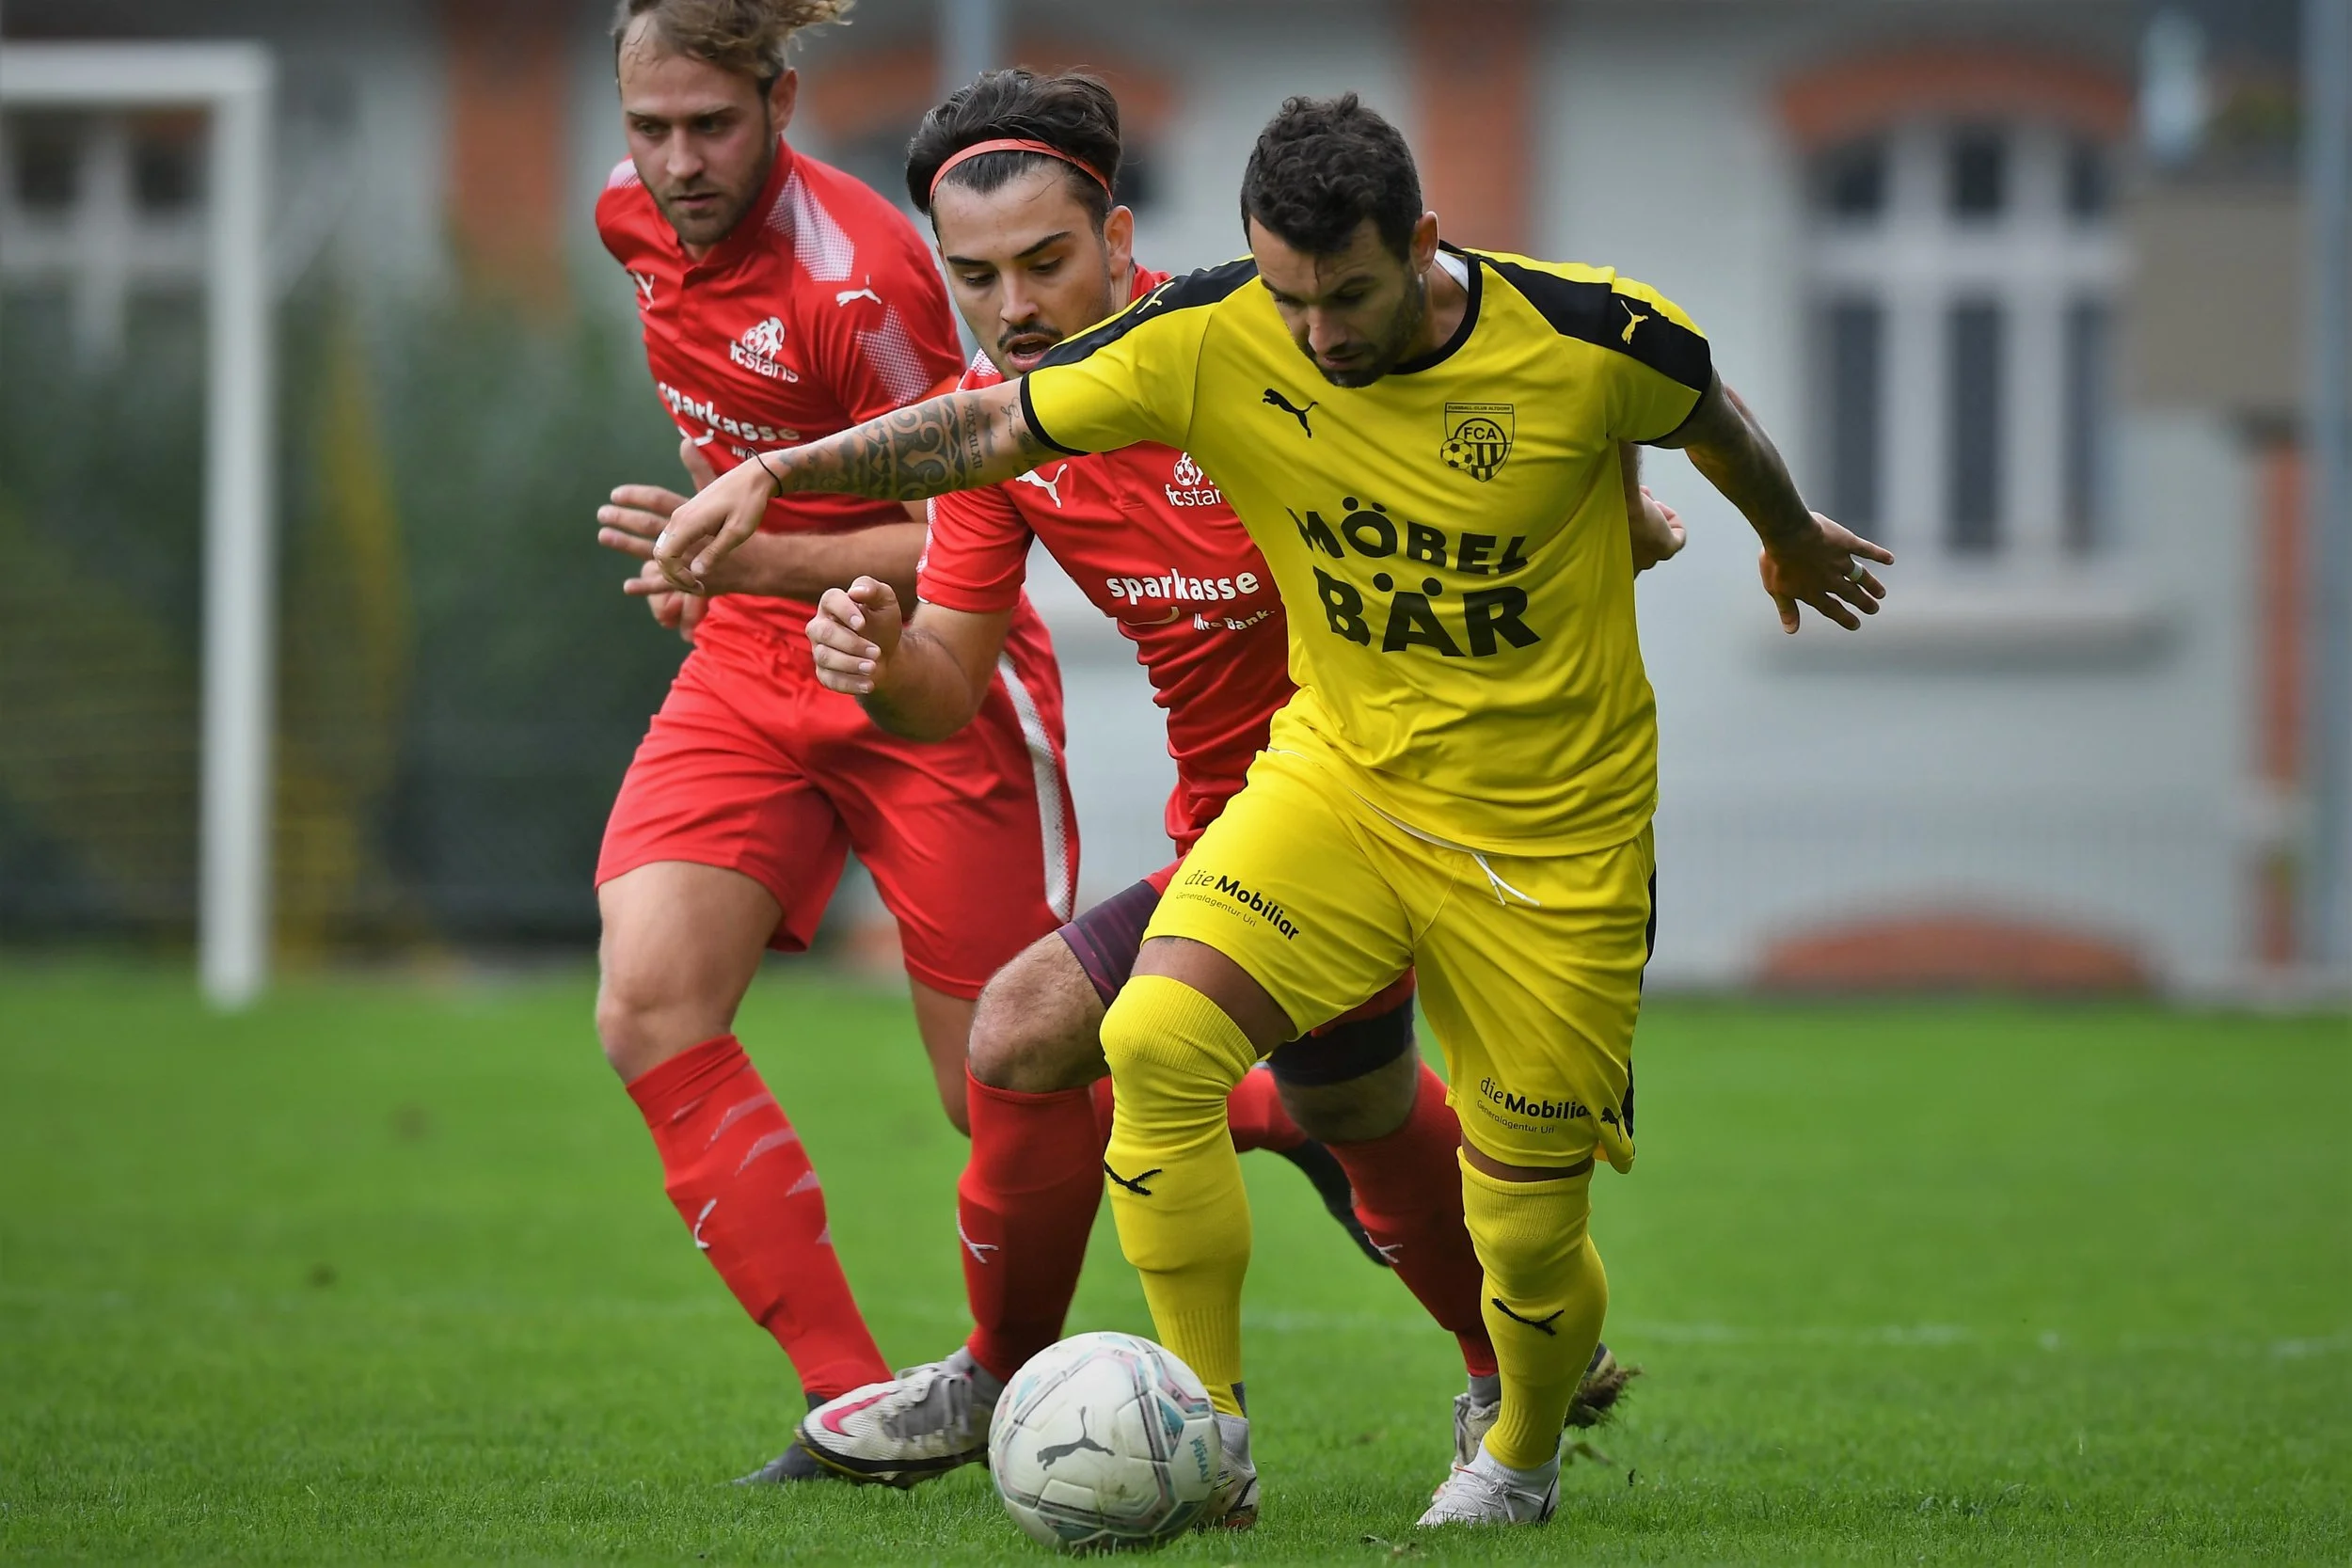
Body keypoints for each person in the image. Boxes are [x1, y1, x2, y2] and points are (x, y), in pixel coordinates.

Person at [652, 94, 1891, 1528]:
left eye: (1044, 262)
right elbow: (966, 544)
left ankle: (1516, 1417)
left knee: (1474, 1196)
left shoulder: (1456, 338)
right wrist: (820, 566)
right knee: (1141, 1044)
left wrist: (1737, 532)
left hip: (1530, 837)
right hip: (1307, 807)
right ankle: (1174, 1424)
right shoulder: (1143, 382)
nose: (1319, 334)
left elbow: (1653, 413)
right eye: (975, 276)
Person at [785, 70, 1675, 1499]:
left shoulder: (1267, 348)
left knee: (1156, 1062)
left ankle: (1464, 1383)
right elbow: (949, 677)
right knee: (1319, 1101)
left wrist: (1615, 505)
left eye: (1045, 263)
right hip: (1247, 828)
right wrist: (879, 657)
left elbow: (1529, 377)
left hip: (1394, 809)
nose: (1011, 305)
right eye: (974, 277)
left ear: (1121, 242)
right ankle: (1468, 1376)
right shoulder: (996, 432)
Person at [588, 7, 1359, 1485]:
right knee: (648, 1003)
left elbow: (962, 492)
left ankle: (1279, 1107)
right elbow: (725, 435)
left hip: (935, 668)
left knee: (997, 1079)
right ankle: (857, 1404)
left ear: (782, 100)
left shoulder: (868, 276)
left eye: (713, 126)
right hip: (749, 665)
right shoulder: (632, 228)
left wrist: (756, 552)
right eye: (650, 127)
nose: (678, 162)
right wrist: (713, 537)